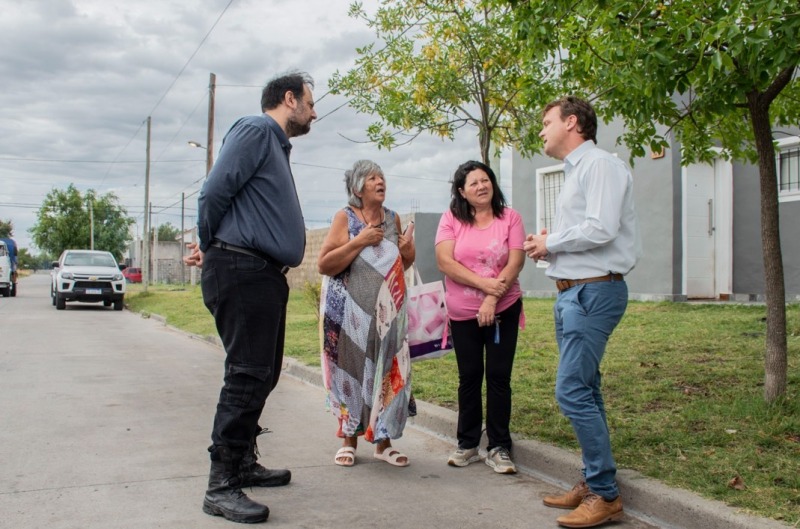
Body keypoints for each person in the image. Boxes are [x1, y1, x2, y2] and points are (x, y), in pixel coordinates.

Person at [182, 71, 317, 524]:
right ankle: (221, 484)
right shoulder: (256, 129)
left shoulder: (276, 146)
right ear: (289, 98)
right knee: (246, 374)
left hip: (260, 272)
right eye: (310, 103)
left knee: (263, 374)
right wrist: (212, 244)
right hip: (241, 267)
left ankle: (242, 461)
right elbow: (212, 194)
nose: (314, 112)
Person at [523, 96, 640, 529]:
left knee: (571, 391)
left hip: (594, 293)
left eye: (546, 122)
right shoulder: (578, 172)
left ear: (572, 123)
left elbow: (602, 227)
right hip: (574, 292)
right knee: (586, 389)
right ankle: (594, 482)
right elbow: (587, 231)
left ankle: (606, 495)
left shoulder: (600, 166)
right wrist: (548, 245)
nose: (541, 131)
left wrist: (552, 243)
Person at [318, 159, 415, 468]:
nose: (380, 182)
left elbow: (400, 265)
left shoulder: (392, 218)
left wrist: (408, 250)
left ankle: (383, 442)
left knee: (388, 372)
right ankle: (348, 439)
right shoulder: (344, 218)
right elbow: (325, 264)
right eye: (372, 178)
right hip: (349, 313)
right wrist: (359, 241)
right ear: (358, 188)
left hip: (388, 315)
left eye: (381, 177)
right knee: (351, 371)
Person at [434, 160, 526, 475]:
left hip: (503, 309)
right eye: (473, 183)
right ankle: (468, 443)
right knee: (469, 376)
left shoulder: (510, 217)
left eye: (485, 180)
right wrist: (485, 285)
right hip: (462, 313)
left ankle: (499, 446)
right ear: (462, 191)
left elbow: (515, 263)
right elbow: (445, 262)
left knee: (499, 377)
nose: (481, 186)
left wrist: (492, 297)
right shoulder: (451, 220)